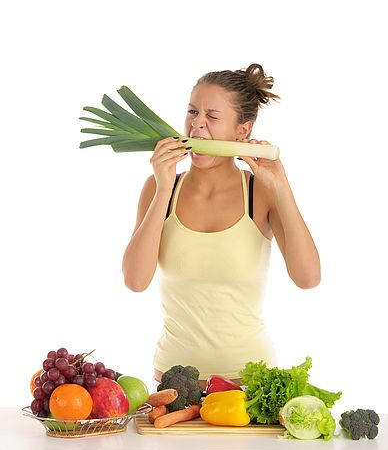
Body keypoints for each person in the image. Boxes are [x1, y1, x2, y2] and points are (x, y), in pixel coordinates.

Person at [122, 64, 320, 389]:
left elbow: (308, 278)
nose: (197, 124)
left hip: (249, 383)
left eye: (212, 117)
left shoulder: (262, 193)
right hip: (173, 386)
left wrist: (282, 188)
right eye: (192, 112)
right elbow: (135, 280)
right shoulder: (160, 189)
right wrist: (162, 188)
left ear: (242, 131)